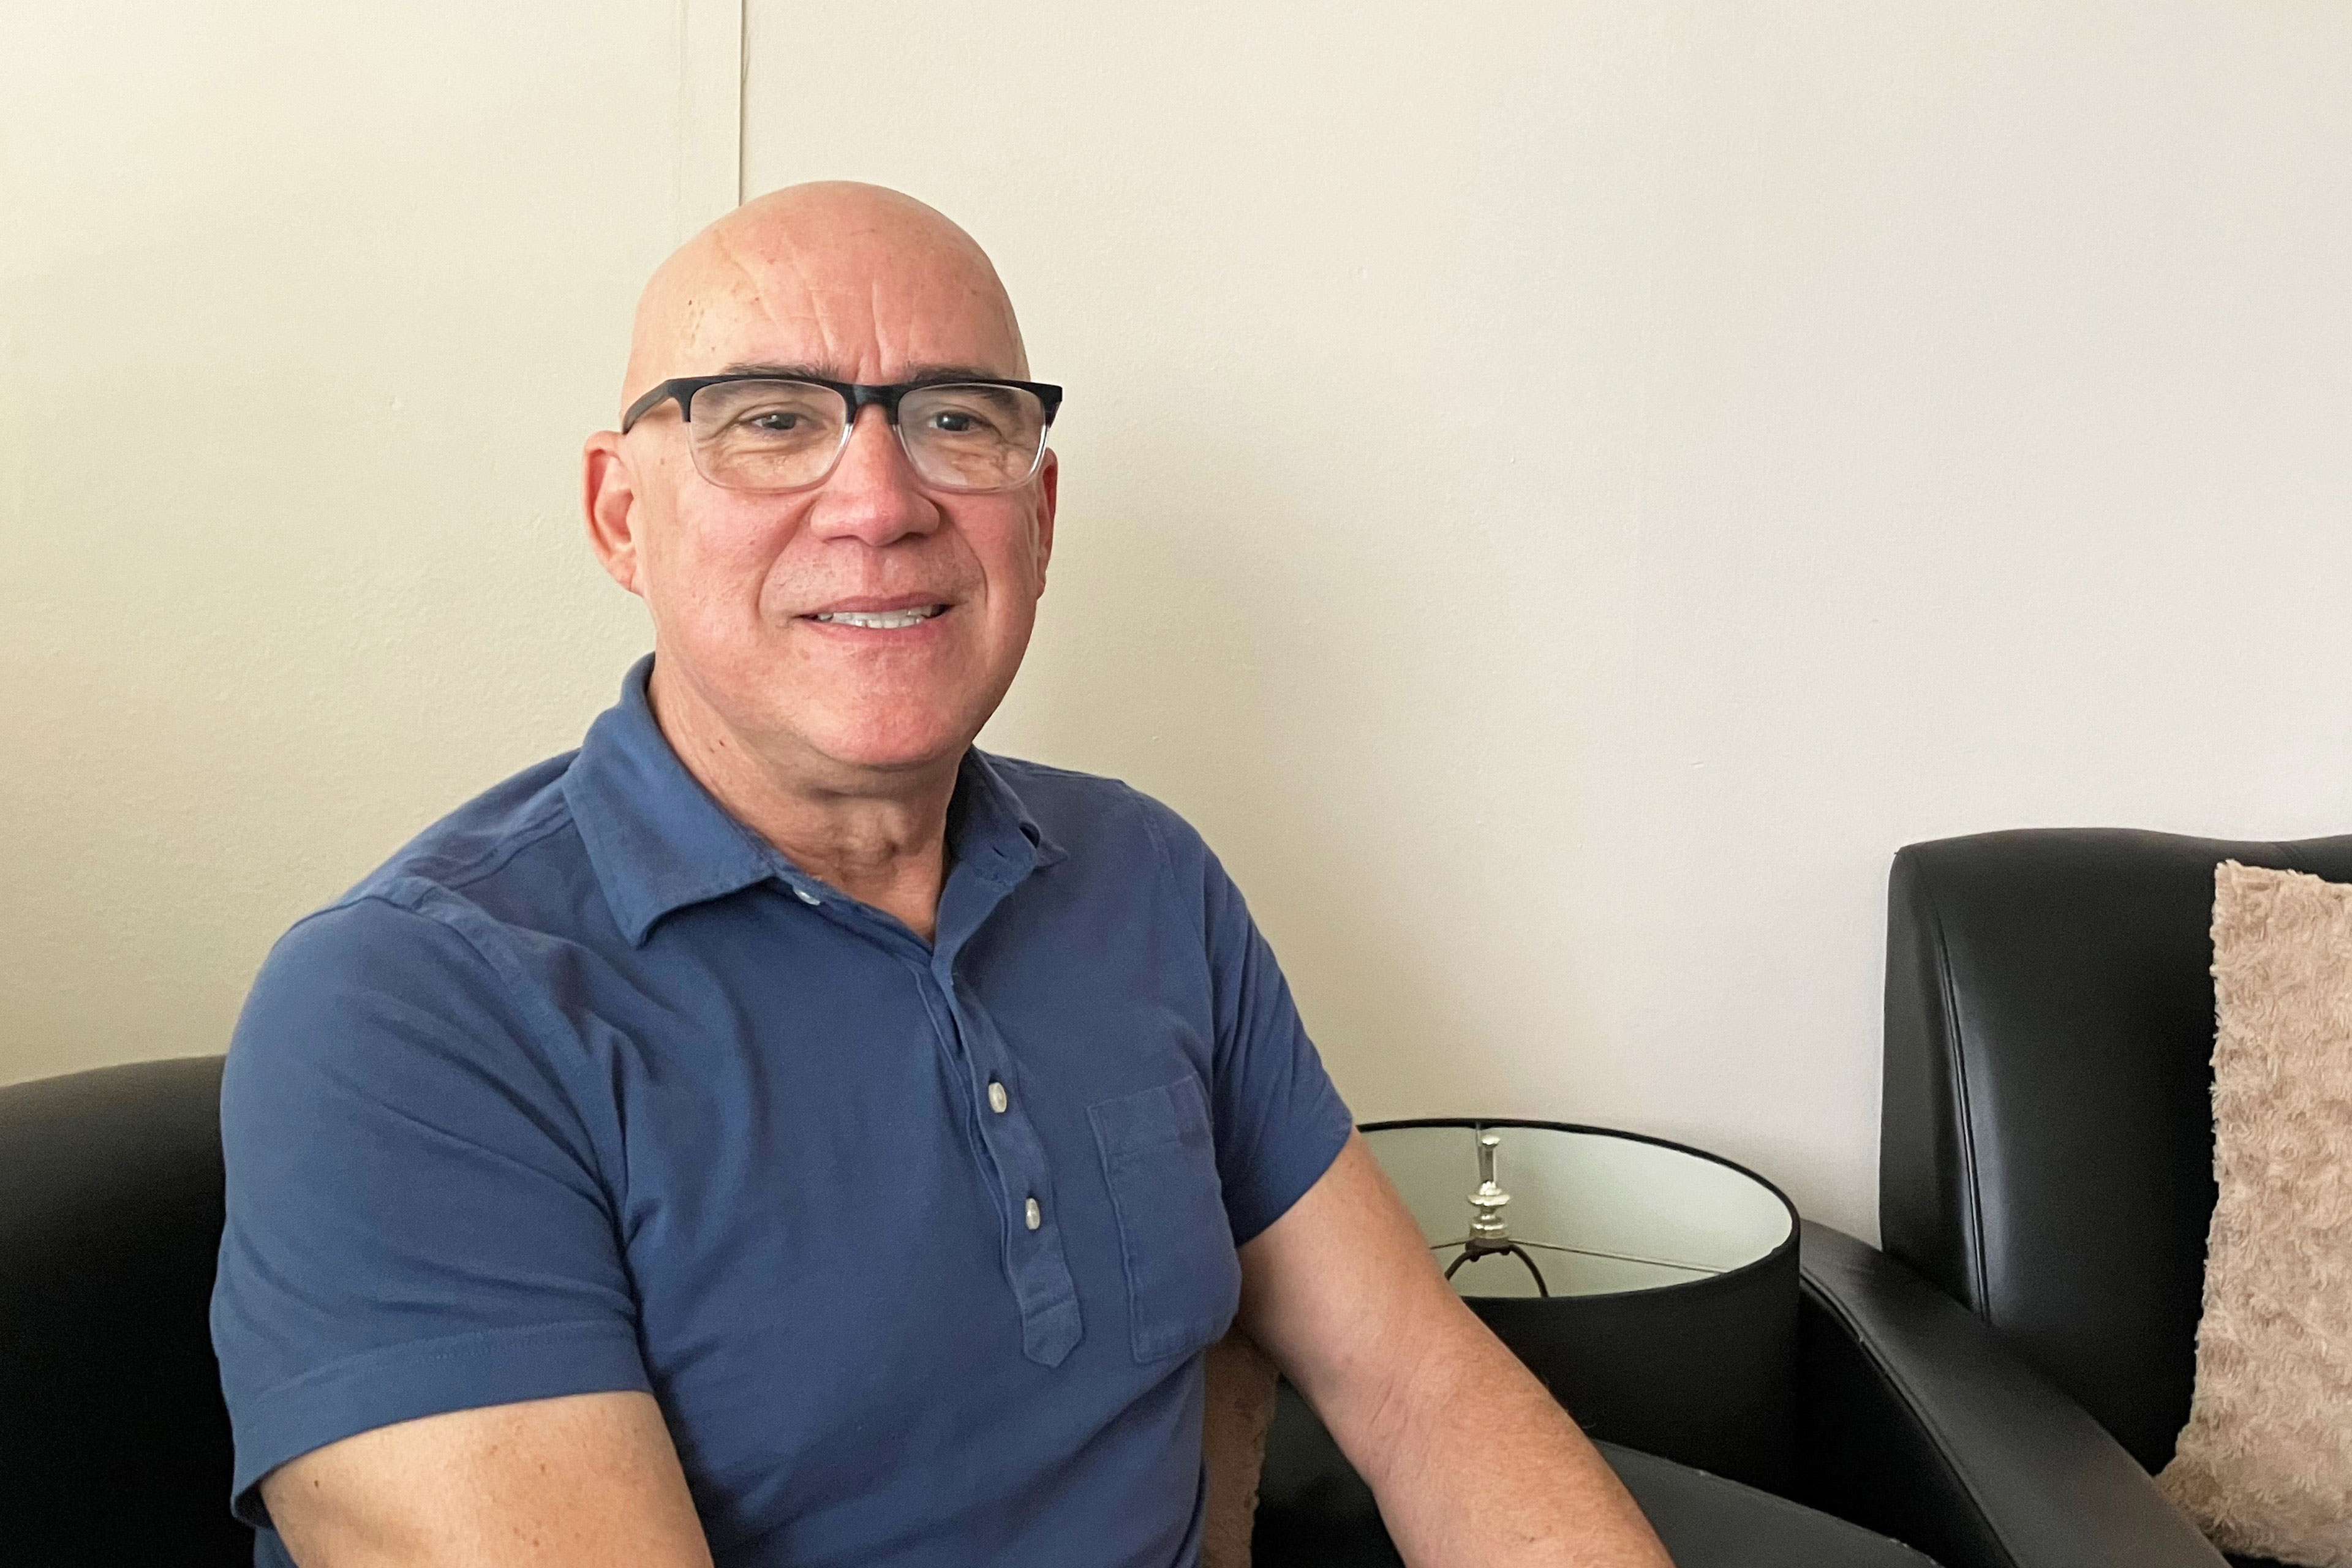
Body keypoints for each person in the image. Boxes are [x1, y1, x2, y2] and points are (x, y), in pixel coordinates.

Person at [210, 181, 1673, 1568]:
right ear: (620, 516)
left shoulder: (1146, 875)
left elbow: (1419, 1383)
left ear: (1034, 519)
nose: (879, 500)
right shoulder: (408, 1011)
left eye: (958, 420)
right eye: (771, 419)